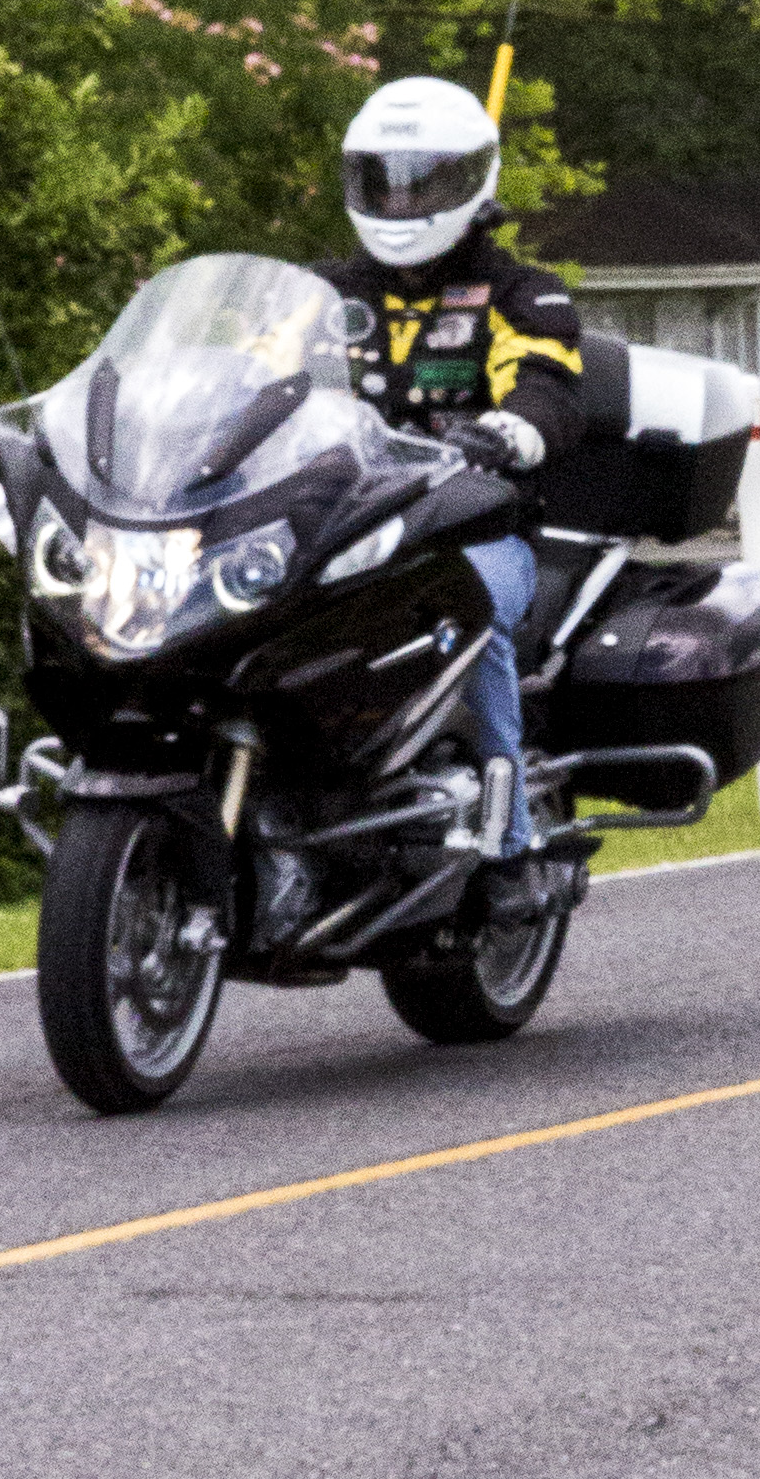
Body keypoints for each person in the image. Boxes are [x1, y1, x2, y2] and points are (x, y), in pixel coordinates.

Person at [318, 74, 585, 917]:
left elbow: (547, 387)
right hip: (342, 531)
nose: (400, 202)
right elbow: (248, 384)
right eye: (382, 181)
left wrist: (509, 431)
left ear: (471, 181)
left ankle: (509, 845)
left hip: (474, 530)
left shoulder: (520, 292)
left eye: (421, 182)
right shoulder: (320, 296)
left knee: (465, 612)